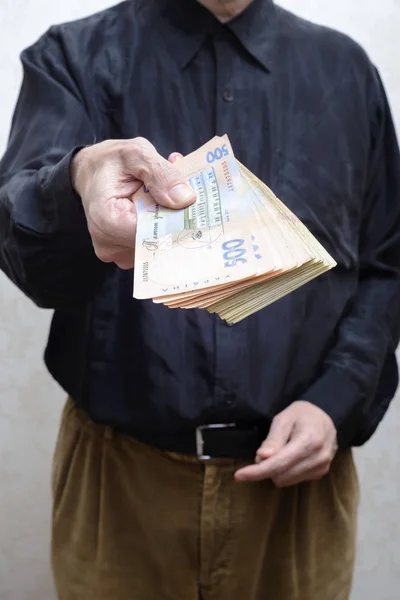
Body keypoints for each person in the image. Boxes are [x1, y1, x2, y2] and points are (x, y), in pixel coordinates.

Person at [0, 0, 399, 598]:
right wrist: (76, 176)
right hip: (121, 484)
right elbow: (29, 263)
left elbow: (385, 263)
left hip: (299, 493)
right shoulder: (74, 57)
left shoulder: (345, 70)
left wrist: (335, 400)